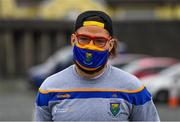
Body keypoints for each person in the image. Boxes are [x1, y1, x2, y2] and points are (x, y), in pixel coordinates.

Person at [35, 10, 160, 121]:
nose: (90, 46)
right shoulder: (49, 88)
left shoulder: (133, 88)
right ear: (73, 40)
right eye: (84, 39)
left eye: (99, 41)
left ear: (110, 45)